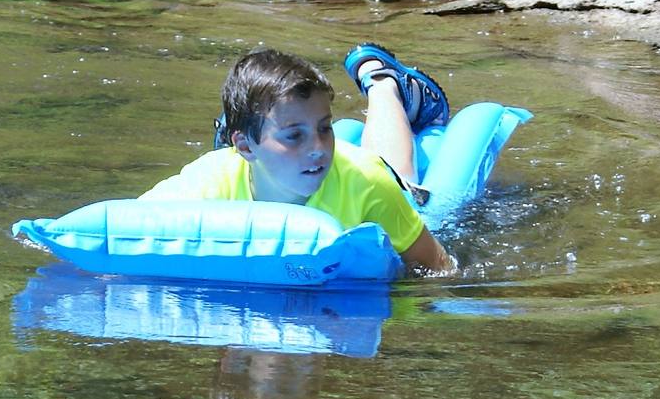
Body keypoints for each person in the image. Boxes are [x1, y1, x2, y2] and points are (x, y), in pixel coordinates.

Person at [140, 45, 458, 274]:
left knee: (399, 177)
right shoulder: (209, 182)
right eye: (294, 136)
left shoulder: (367, 182)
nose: (318, 147)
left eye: (325, 128)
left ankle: (383, 82)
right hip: (269, 159)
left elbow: (439, 269)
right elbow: (122, 230)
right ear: (245, 148)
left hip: (367, 179)